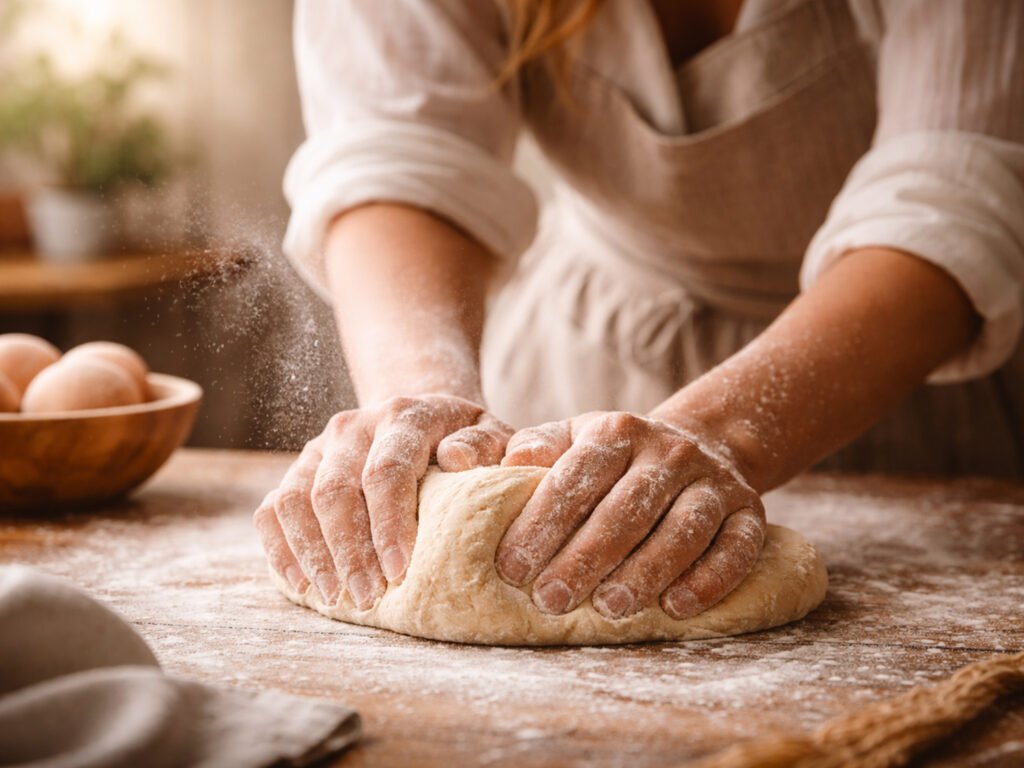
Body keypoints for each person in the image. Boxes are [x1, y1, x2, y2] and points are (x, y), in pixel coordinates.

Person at [255, 0, 1024, 624]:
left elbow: (955, 195)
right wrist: (418, 398)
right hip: (591, 343)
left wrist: (720, 435)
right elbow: (397, 149)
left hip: (910, 355)